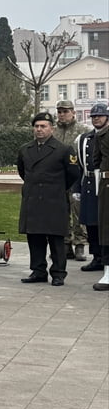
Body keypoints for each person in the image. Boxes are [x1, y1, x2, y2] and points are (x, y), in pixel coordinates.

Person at [17, 111, 81, 286]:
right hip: (32, 199)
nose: (39, 130)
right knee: (35, 237)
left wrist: (57, 188)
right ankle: (38, 271)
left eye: (43, 126)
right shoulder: (25, 149)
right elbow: (23, 171)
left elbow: (73, 174)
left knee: (56, 239)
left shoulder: (63, 150)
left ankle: (58, 273)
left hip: (54, 199)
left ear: (51, 128)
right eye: (36, 126)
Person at [53, 101, 90, 261]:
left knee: (78, 211)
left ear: (73, 112)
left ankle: (80, 244)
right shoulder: (53, 131)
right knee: (60, 212)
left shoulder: (83, 131)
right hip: (59, 178)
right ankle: (65, 244)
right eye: (60, 111)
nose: (62, 114)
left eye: (65, 111)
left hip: (77, 177)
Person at [75, 104, 108, 273]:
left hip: (104, 182)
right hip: (89, 182)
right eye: (94, 116)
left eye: (100, 116)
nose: (96, 118)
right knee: (91, 223)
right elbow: (79, 166)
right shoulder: (84, 138)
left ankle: (105, 256)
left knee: (105, 223)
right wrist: (76, 188)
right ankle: (97, 257)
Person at [92, 119, 109, 291]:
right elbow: (96, 162)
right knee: (106, 228)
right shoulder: (102, 135)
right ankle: (108, 271)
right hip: (107, 184)